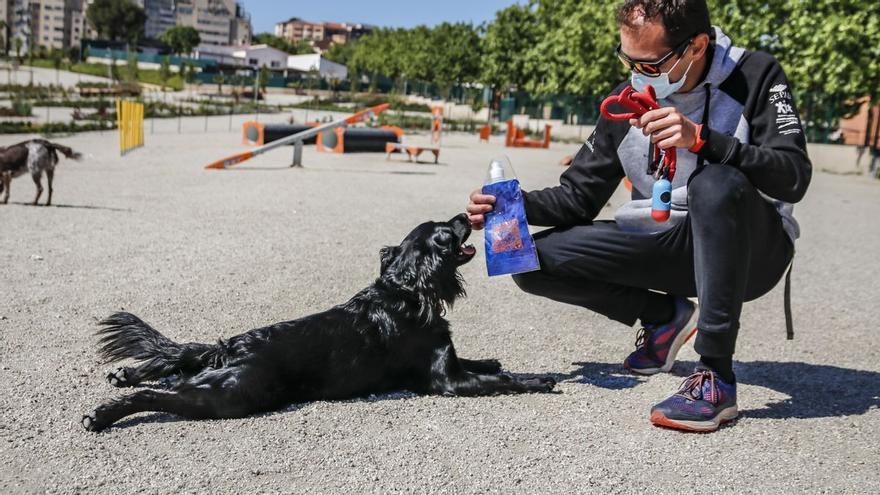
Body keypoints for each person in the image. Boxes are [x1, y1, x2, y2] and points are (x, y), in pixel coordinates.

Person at [466, 0, 811, 432]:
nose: (636, 74)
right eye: (627, 60)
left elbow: (794, 177)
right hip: (671, 240)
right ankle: (664, 317)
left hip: (752, 252)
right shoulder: (626, 101)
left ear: (697, 45)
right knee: (528, 258)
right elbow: (577, 197)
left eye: (649, 64)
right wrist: (510, 205)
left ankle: (715, 376)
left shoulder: (755, 74)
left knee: (715, 183)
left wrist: (704, 141)